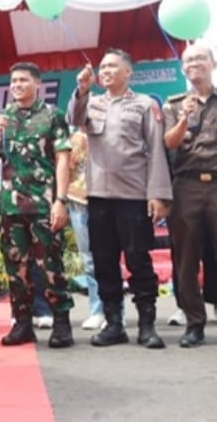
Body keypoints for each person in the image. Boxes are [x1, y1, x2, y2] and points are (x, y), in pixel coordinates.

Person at [68, 48, 170, 349]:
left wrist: (158, 194)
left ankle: (148, 325)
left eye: (113, 66)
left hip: (134, 197)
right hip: (98, 197)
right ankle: (114, 323)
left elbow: (156, 151)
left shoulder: (144, 105)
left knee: (139, 259)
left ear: (128, 72)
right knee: (104, 262)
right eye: (103, 66)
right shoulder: (92, 103)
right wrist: (82, 90)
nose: (106, 70)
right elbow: (74, 119)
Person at [0, 62, 74, 348]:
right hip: (11, 207)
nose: (17, 85)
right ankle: (22, 323)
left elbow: (62, 159)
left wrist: (60, 200)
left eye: (23, 80)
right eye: (13, 81)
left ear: (37, 84)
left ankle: (61, 323)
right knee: (16, 268)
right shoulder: (3, 117)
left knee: (51, 264)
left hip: (44, 204)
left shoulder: (52, 116)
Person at [162, 42, 217, 347]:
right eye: (188, 60)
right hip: (187, 186)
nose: (194, 64)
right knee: (186, 258)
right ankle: (194, 323)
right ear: (183, 69)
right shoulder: (174, 104)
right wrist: (185, 117)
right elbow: (169, 143)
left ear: (212, 64)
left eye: (200, 58)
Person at [66, 129, 104, 330]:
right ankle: (97, 310)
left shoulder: (108, 136)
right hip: (79, 202)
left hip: (106, 201)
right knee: (89, 260)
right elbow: (66, 170)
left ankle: (116, 311)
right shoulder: (74, 139)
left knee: (109, 257)